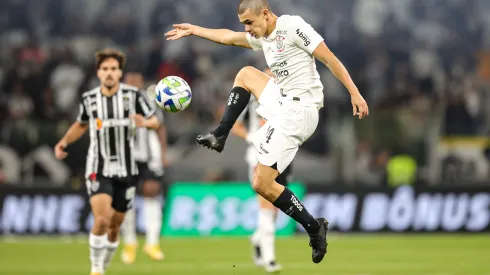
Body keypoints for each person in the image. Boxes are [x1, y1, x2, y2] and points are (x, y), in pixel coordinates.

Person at [165, 0, 369, 263]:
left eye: (249, 22)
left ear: (265, 13)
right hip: (283, 102)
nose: (247, 29)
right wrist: (195, 29)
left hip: (301, 111)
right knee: (246, 74)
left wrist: (355, 93)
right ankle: (220, 134)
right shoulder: (263, 36)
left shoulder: (293, 26)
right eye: (244, 24)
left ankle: (314, 228)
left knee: (261, 183)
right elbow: (228, 37)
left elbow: (329, 58)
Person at [54, 49, 160, 275]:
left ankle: (104, 265)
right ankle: (96, 269)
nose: (109, 73)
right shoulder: (89, 99)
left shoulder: (134, 96)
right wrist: (63, 142)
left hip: (126, 168)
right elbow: (80, 124)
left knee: (115, 226)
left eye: (113, 69)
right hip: (98, 167)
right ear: (98, 73)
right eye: (105, 69)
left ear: (120, 72)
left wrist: (145, 122)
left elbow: (155, 122)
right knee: (102, 219)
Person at [231, 68, 291, 272]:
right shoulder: (251, 100)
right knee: (266, 206)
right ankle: (270, 259)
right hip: (259, 155)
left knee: (275, 211)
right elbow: (236, 125)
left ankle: (258, 240)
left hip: (284, 155)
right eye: (267, 75)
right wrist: (252, 138)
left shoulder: (288, 96)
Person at [119, 72, 168, 264]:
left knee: (151, 191)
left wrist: (163, 153)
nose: (133, 83)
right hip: (126, 155)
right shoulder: (116, 101)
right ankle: (130, 242)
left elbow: (160, 127)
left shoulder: (150, 99)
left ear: (141, 81)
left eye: (136, 80)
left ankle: (152, 242)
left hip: (149, 155)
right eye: (130, 79)